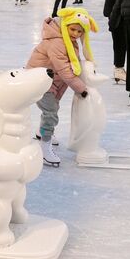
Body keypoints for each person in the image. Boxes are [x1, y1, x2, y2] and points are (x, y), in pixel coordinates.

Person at [26, 8, 96, 166]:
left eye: (80, 31)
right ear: (65, 25)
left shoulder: (68, 40)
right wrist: (81, 88)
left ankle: (41, 132)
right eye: (73, 29)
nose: (76, 34)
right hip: (40, 81)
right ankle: (44, 146)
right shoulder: (58, 42)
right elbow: (65, 69)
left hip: (50, 81)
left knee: (52, 109)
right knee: (51, 112)